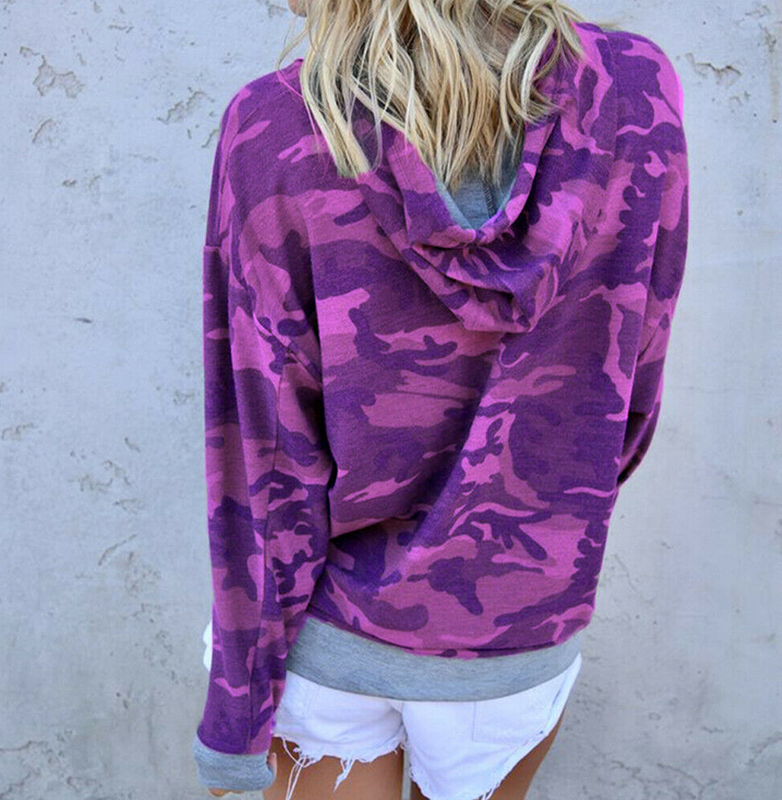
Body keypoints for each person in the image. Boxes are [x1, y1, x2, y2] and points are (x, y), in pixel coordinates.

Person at [190, 1, 689, 798]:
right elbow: (631, 379)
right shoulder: (635, 91)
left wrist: (235, 719)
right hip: (515, 640)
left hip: (329, 651)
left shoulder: (278, 127)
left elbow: (262, 455)